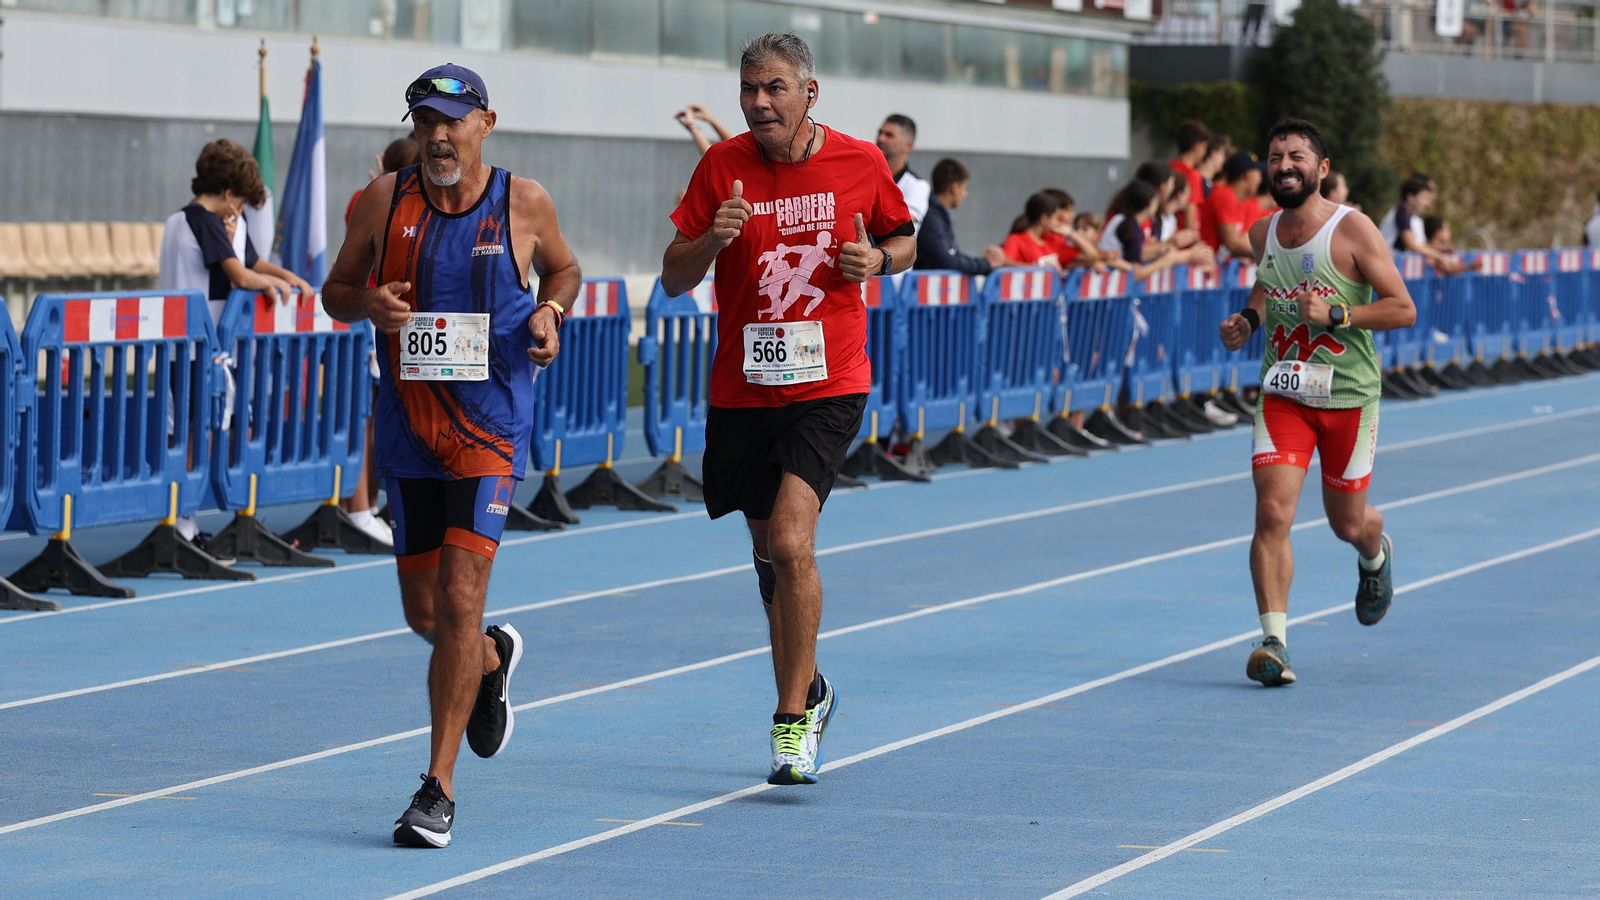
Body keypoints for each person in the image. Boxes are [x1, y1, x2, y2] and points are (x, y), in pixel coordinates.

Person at [323, 63, 582, 847]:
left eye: (452, 121)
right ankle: (492, 662)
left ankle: (436, 789)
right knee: (429, 615)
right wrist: (367, 303)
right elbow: (334, 292)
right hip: (408, 432)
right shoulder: (384, 201)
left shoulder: (523, 202)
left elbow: (566, 269)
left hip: (489, 433)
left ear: (484, 123)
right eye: (424, 121)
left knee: (462, 599)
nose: (437, 135)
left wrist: (549, 311)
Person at [660, 33, 915, 786]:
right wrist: (711, 238)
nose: (759, 102)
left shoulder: (860, 162)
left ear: (810, 92)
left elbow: (903, 241)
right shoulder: (721, 165)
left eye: (774, 87)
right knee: (769, 549)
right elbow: (674, 277)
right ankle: (813, 681)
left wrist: (878, 262)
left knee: (793, 542)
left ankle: (791, 719)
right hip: (743, 388)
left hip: (829, 382)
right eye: (749, 89)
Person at [1218, 118, 1415, 687]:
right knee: (1272, 512)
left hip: (1349, 398)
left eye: (1296, 156)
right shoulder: (1262, 232)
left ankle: (1375, 555)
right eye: (1276, 156)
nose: (1284, 165)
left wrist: (1338, 314)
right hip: (1284, 394)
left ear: (1321, 169)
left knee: (1347, 524)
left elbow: (1403, 308)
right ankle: (1274, 641)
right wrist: (1248, 320)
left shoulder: (1353, 231)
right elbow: (1266, 281)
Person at [159, 139, 312, 552]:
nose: (240, 214)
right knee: (194, 434)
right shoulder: (205, 220)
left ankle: (183, 521)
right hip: (197, 347)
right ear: (228, 194)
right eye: (240, 204)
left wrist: (286, 275)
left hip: (187, 346)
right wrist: (279, 285)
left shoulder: (181, 220)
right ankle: (181, 524)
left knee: (196, 432)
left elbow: (251, 260)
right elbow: (242, 277)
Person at [341, 136, 423, 546]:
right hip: (379, 321)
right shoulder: (376, 200)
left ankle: (377, 501)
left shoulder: (379, 197)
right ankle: (363, 505)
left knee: (388, 415)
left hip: (399, 321)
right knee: (373, 415)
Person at [1102, 179, 1214, 281]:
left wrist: (1160, 250)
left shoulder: (1119, 219)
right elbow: (1135, 274)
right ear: (1150, 204)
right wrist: (1164, 262)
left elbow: (1135, 255)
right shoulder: (1133, 228)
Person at [916, 157, 1006, 274]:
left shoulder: (938, 215)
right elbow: (947, 262)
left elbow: (955, 256)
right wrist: (987, 264)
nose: (965, 194)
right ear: (955, 187)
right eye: (965, 188)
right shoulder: (931, 217)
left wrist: (984, 263)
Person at [1199, 151, 1264, 261]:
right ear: (1247, 175)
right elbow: (1232, 243)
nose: (1260, 179)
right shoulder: (1225, 196)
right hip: (1200, 267)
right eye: (1257, 173)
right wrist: (1269, 255)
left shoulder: (1234, 200)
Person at [876, 114, 931, 232]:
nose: (881, 138)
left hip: (896, 249)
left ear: (908, 146)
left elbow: (902, 222)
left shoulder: (918, 186)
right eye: (880, 132)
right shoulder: (867, 178)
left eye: (889, 135)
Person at [1002, 191, 1068, 271]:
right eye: (1056, 219)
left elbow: (1086, 257)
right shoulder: (1015, 239)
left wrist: (1072, 233)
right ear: (1045, 219)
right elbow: (1004, 263)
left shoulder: (1052, 240)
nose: (1058, 223)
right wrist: (1039, 269)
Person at [1169, 120, 1210, 231]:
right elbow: (1191, 220)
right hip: (1182, 240)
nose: (1204, 153)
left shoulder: (1168, 167)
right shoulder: (1192, 175)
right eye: (1204, 148)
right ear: (1197, 146)